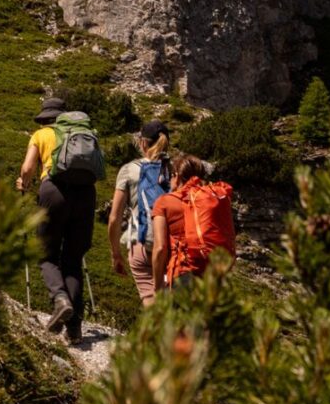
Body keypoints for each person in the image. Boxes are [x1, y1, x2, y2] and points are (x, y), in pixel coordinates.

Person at [16, 97, 99, 342]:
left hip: (53, 191)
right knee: (73, 259)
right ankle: (74, 330)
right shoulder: (83, 132)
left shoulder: (40, 135)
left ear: (45, 118)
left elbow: (27, 168)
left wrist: (24, 183)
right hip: (86, 193)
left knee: (46, 254)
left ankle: (60, 299)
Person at [107, 121, 171, 306]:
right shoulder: (176, 170)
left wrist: (115, 253)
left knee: (151, 302)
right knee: (172, 303)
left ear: (143, 143)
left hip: (142, 243)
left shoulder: (129, 170)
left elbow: (114, 218)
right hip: (170, 245)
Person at [151, 155, 234, 290]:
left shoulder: (164, 202)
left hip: (182, 275)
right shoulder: (211, 201)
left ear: (177, 176)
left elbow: (160, 248)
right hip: (213, 279)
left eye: (171, 175)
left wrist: (156, 286)